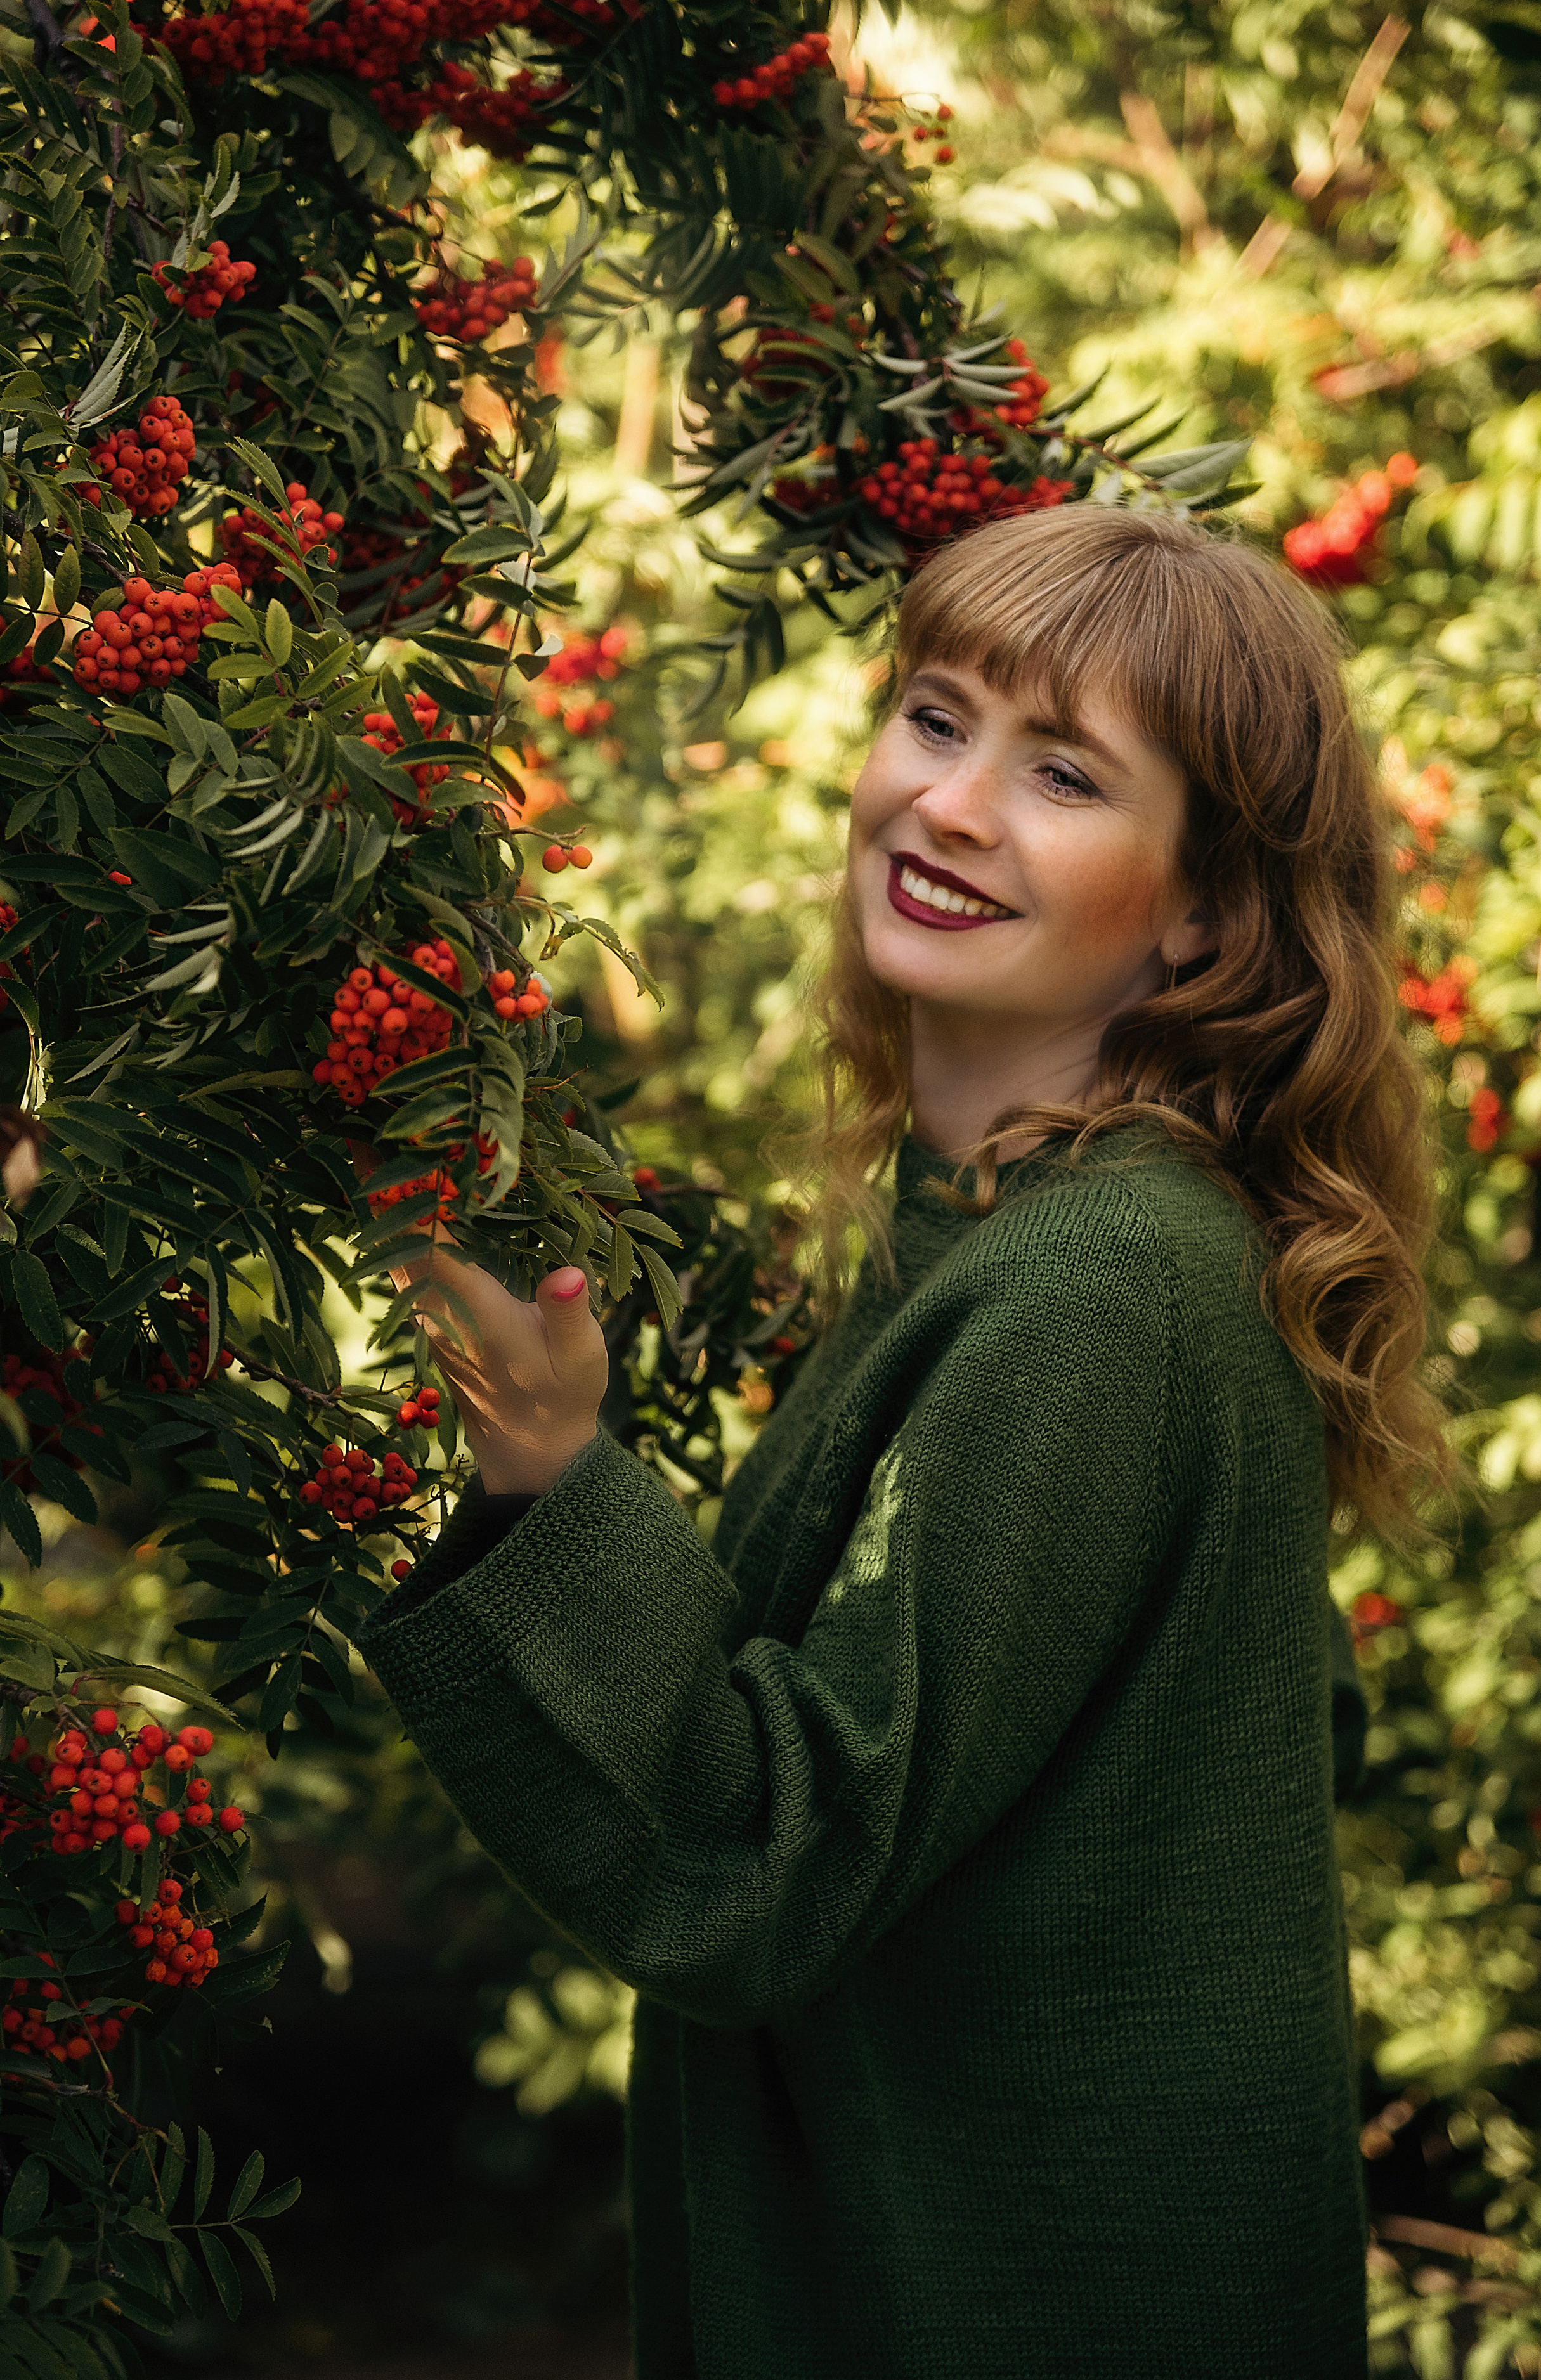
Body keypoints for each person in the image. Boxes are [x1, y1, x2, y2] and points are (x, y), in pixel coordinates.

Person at [360, 503, 1448, 2379]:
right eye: (936, 719)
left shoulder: (1105, 1284)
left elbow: (773, 1843)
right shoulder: (1001, 1222)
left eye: (1064, 774)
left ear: (1201, 905)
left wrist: (553, 1486)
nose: (949, 805)